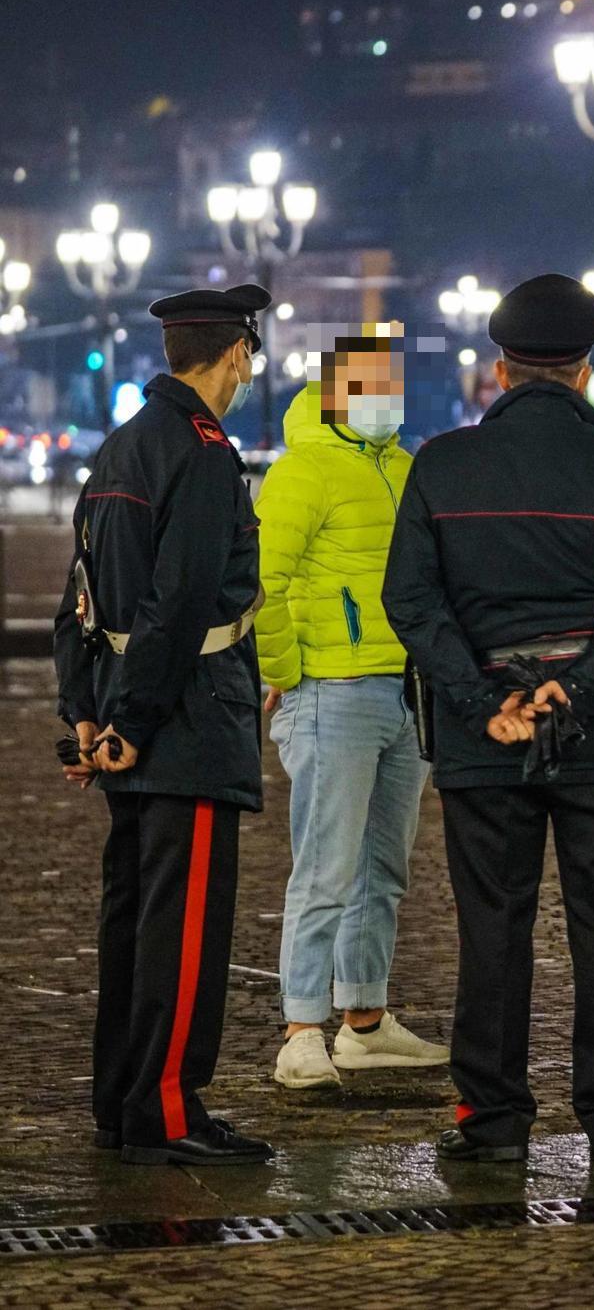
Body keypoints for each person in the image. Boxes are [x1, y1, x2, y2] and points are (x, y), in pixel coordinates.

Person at [382, 273, 594, 1164]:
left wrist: (488, 702)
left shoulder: (441, 464)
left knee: (493, 928)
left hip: (485, 741)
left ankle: (493, 1120)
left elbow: (412, 600)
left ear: (501, 367)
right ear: (588, 366)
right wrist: (576, 690)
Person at [53, 285, 276, 1166]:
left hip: (124, 720)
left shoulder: (115, 450)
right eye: (249, 358)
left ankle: (122, 1099)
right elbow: (180, 602)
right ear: (234, 356)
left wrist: (86, 714)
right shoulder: (203, 454)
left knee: (132, 925)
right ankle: (169, 1111)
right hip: (185, 726)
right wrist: (136, 721)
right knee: (181, 933)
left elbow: (80, 602)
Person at [256, 327, 447, 1088]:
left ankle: (363, 1020)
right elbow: (259, 579)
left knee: (383, 870)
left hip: (404, 693)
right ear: (335, 391)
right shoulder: (303, 469)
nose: (384, 399)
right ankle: (302, 1028)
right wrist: (286, 670)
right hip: (331, 690)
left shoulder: (406, 466)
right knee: (326, 869)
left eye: (391, 382)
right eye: (368, 384)